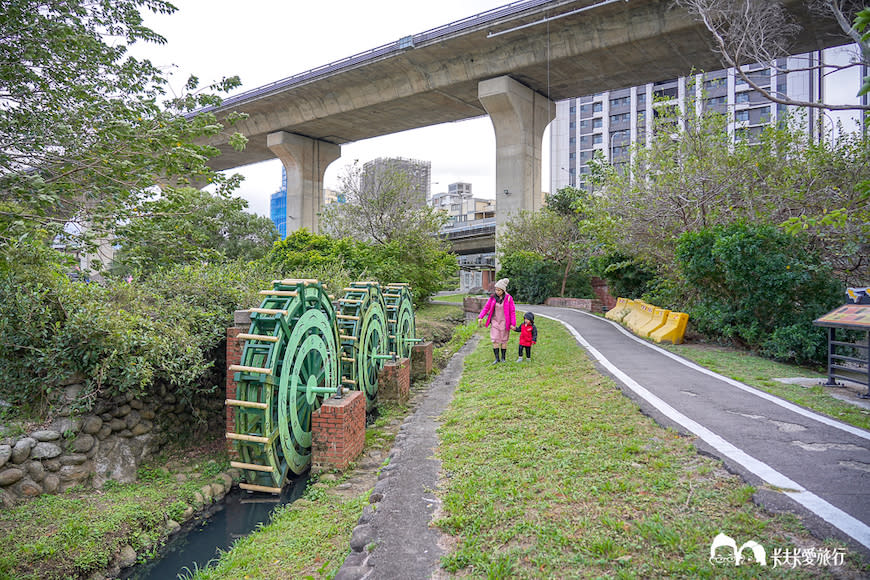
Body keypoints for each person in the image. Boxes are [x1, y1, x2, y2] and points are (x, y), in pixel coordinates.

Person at [478, 278, 516, 364]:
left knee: (503, 340)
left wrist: (513, 323)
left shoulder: (509, 298)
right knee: (495, 339)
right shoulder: (492, 298)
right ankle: (497, 359)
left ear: (503, 290)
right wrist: (481, 317)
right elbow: (486, 308)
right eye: (496, 289)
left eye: (499, 290)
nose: (497, 291)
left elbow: (512, 311)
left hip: (504, 322)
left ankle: (503, 358)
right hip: (495, 321)